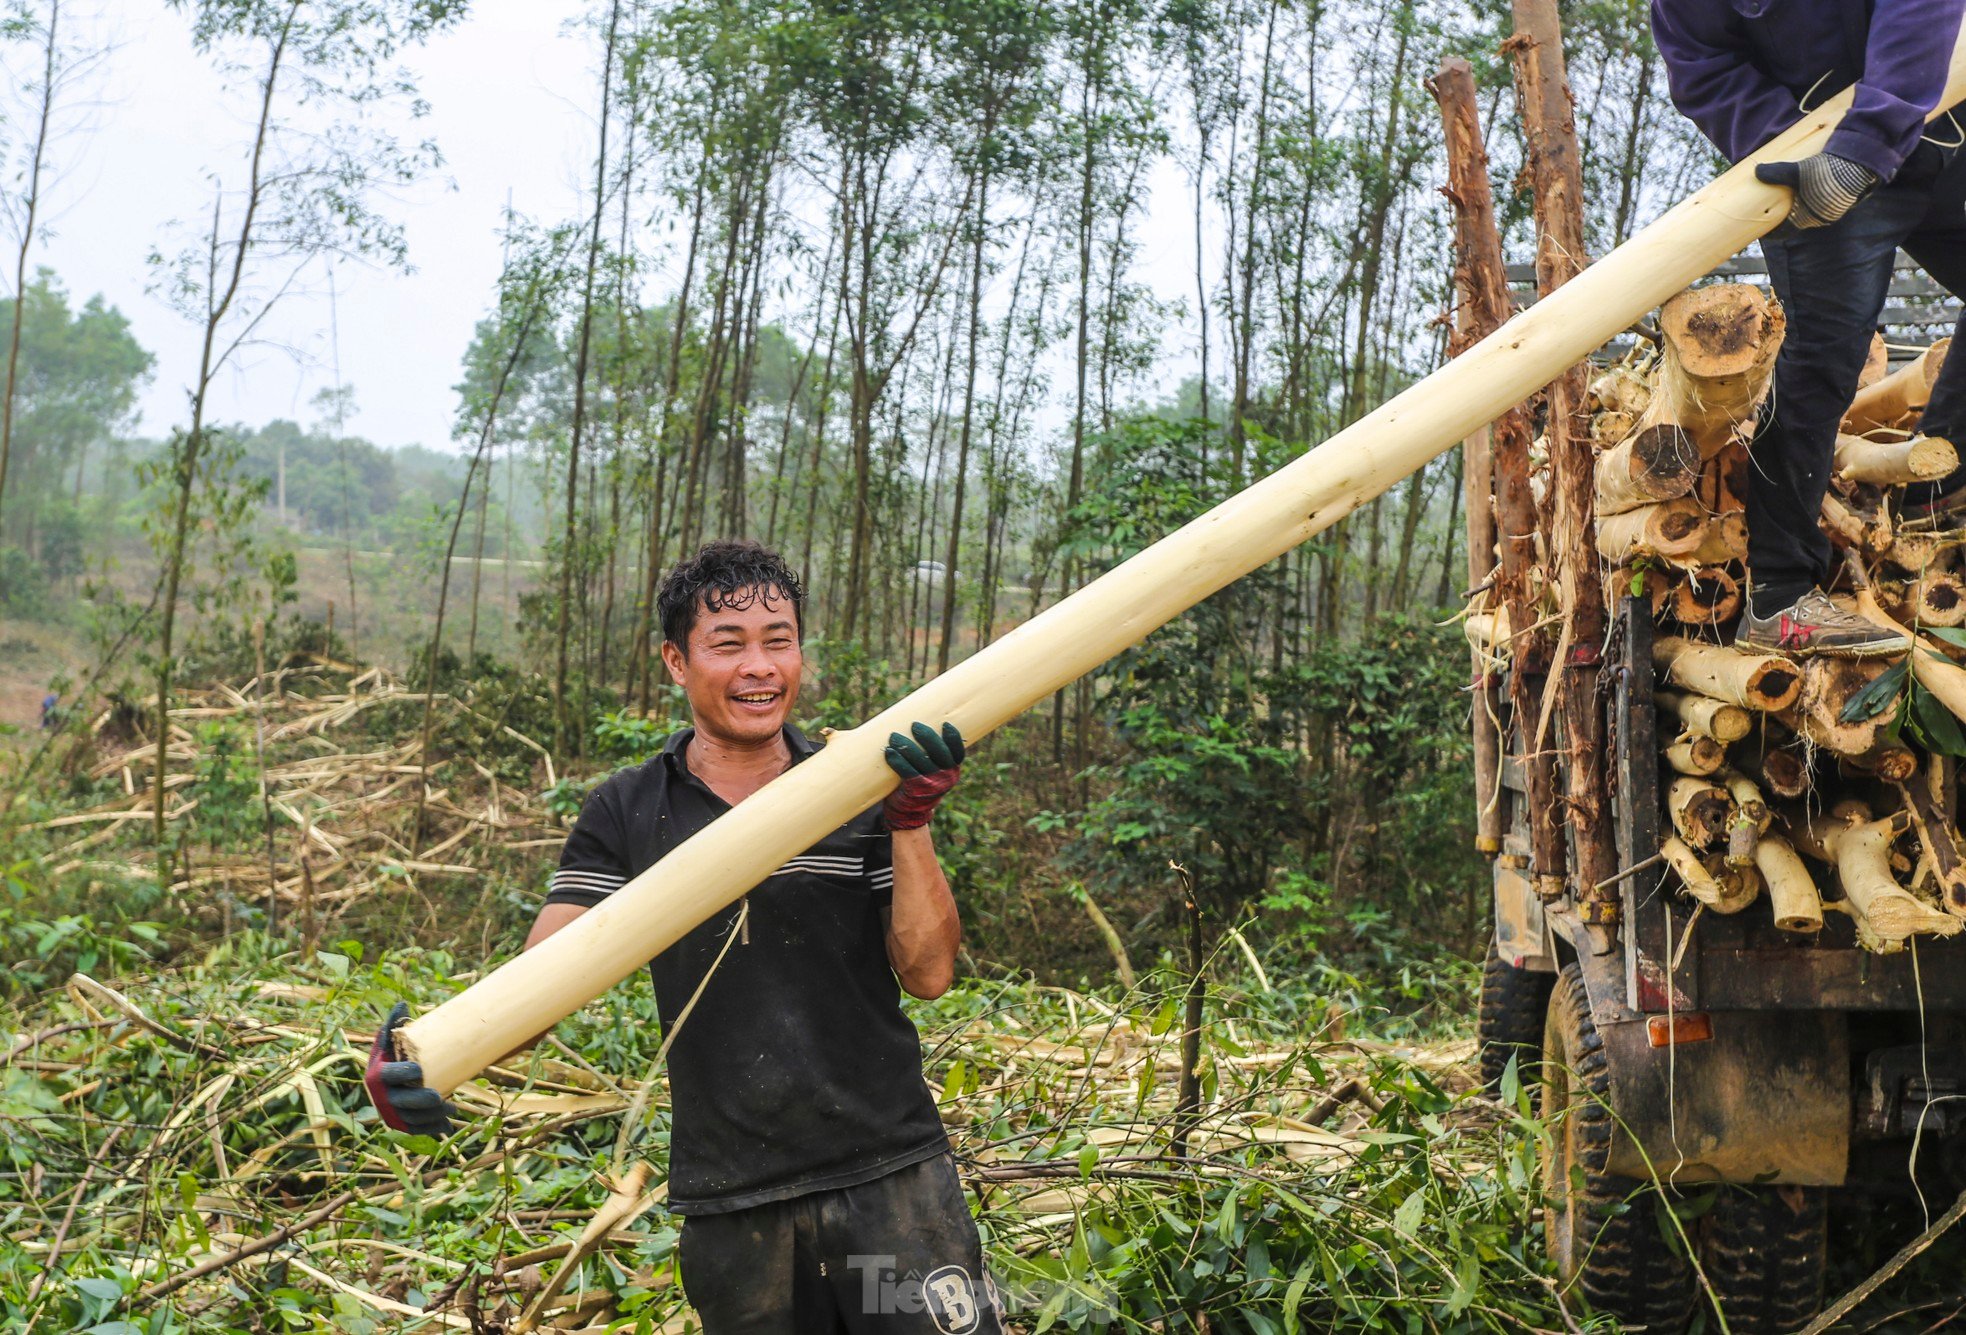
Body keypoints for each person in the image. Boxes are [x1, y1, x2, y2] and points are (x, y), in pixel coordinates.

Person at [368, 539, 1000, 1334]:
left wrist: (910, 822)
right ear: (676, 660)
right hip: (738, 1206)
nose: (760, 667)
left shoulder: (856, 783)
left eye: (779, 640)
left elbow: (930, 972)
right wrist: (421, 1057)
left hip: (892, 1181)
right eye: (728, 645)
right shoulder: (628, 812)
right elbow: (540, 984)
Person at [1652, 0, 1966, 657]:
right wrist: (1802, 144)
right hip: (1821, 169)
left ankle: (1938, 497)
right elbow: (1702, 68)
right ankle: (1780, 598)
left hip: (1944, 115)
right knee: (1820, 363)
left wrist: (1868, 140)